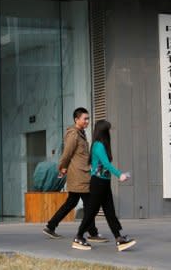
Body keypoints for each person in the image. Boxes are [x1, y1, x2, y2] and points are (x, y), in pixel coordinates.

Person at [43, 107, 107, 243]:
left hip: (82, 173)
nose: (87, 121)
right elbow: (67, 154)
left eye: (88, 119)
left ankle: (51, 226)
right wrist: (62, 167)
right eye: (85, 119)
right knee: (90, 204)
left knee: (72, 202)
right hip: (79, 175)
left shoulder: (81, 134)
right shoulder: (73, 134)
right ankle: (92, 232)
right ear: (76, 119)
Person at [72, 120, 136, 251]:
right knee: (91, 212)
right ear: (103, 132)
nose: (109, 133)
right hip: (98, 183)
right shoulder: (98, 145)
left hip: (104, 182)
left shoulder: (100, 145)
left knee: (110, 211)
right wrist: (120, 175)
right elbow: (106, 164)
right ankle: (78, 237)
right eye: (108, 130)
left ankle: (119, 239)